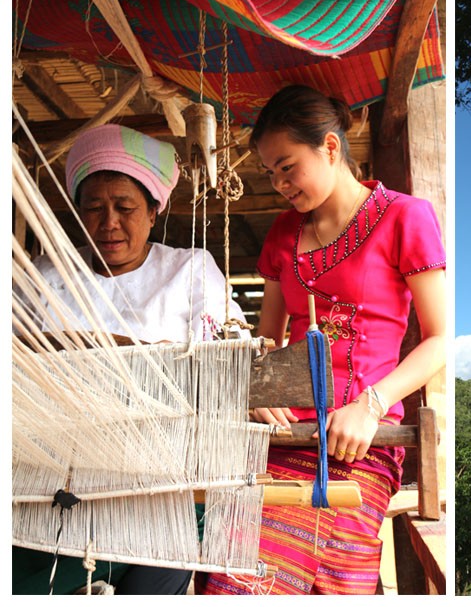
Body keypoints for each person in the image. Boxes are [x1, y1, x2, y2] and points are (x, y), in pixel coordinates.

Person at [196, 85, 446, 595]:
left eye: (287, 166)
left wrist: (371, 406)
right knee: (232, 579)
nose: (279, 183)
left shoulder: (405, 216)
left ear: (331, 148)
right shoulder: (281, 236)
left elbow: (442, 339)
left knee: (334, 580)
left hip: (363, 443)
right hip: (278, 438)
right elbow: (265, 342)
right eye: (269, 172)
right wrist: (256, 393)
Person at [13, 123, 248, 594]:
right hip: (48, 482)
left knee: (162, 564)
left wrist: (89, 348)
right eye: (94, 209)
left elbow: (228, 357)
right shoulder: (43, 277)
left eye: (125, 208)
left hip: (158, 483)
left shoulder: (189, 272)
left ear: (154, 210)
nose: (109, 223)